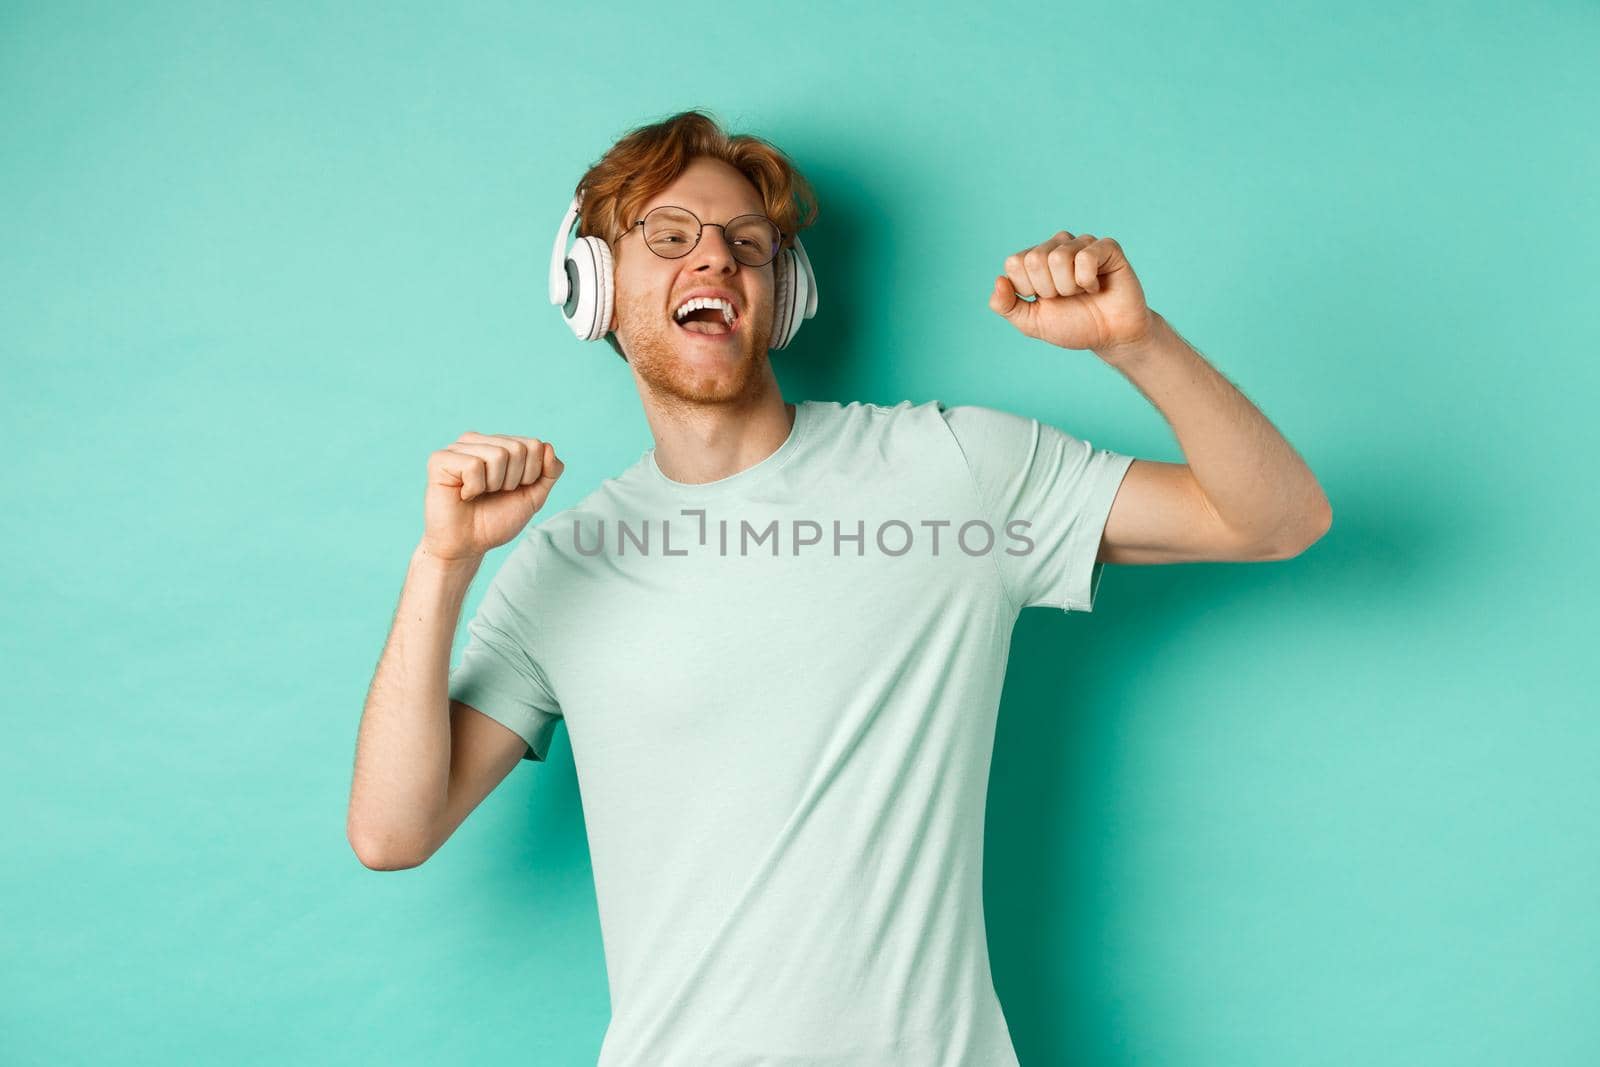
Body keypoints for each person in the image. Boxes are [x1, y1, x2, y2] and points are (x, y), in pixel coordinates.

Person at [347, 109, 1332, 1066]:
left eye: (747, 242)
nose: (716, 259)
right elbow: (392, 829)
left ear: (785, 290)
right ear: (591, 284)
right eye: (670, 234)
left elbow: (1275, 517)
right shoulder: (563, 566)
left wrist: (1136, 343)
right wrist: (442, 565)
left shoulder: (954, 471)